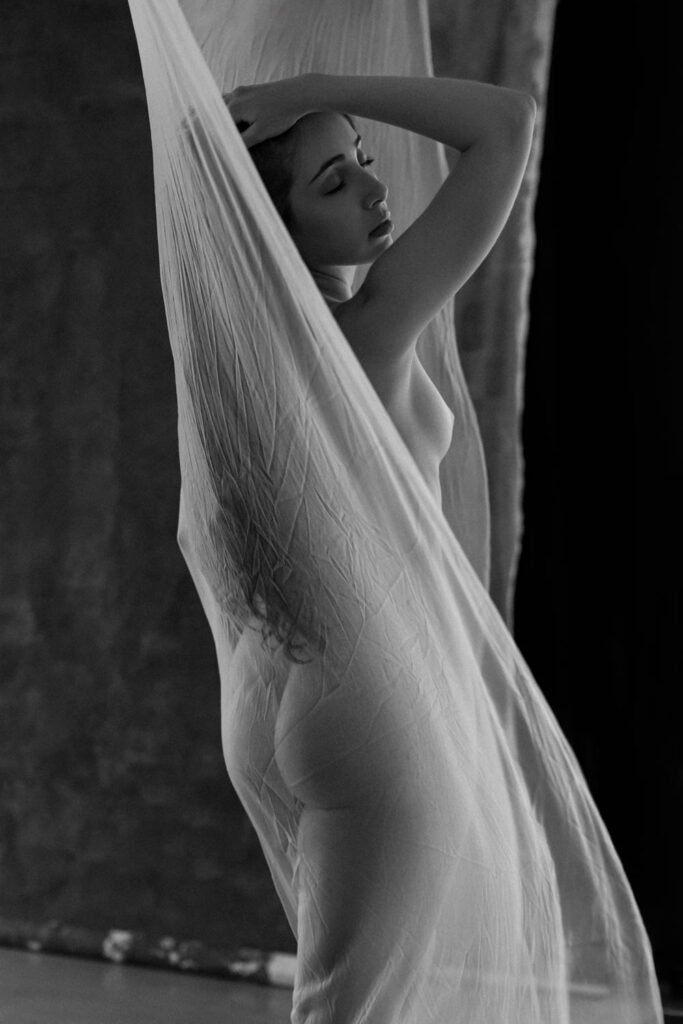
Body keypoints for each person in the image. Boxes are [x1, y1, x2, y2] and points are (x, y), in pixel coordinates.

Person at [226, 73, 536, 509]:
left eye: (363, 159)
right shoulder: (361, 334)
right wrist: (308, 90)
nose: (377, 189)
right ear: (270, 223)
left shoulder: (293, 337)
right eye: (334, 184)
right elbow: (507, 121)